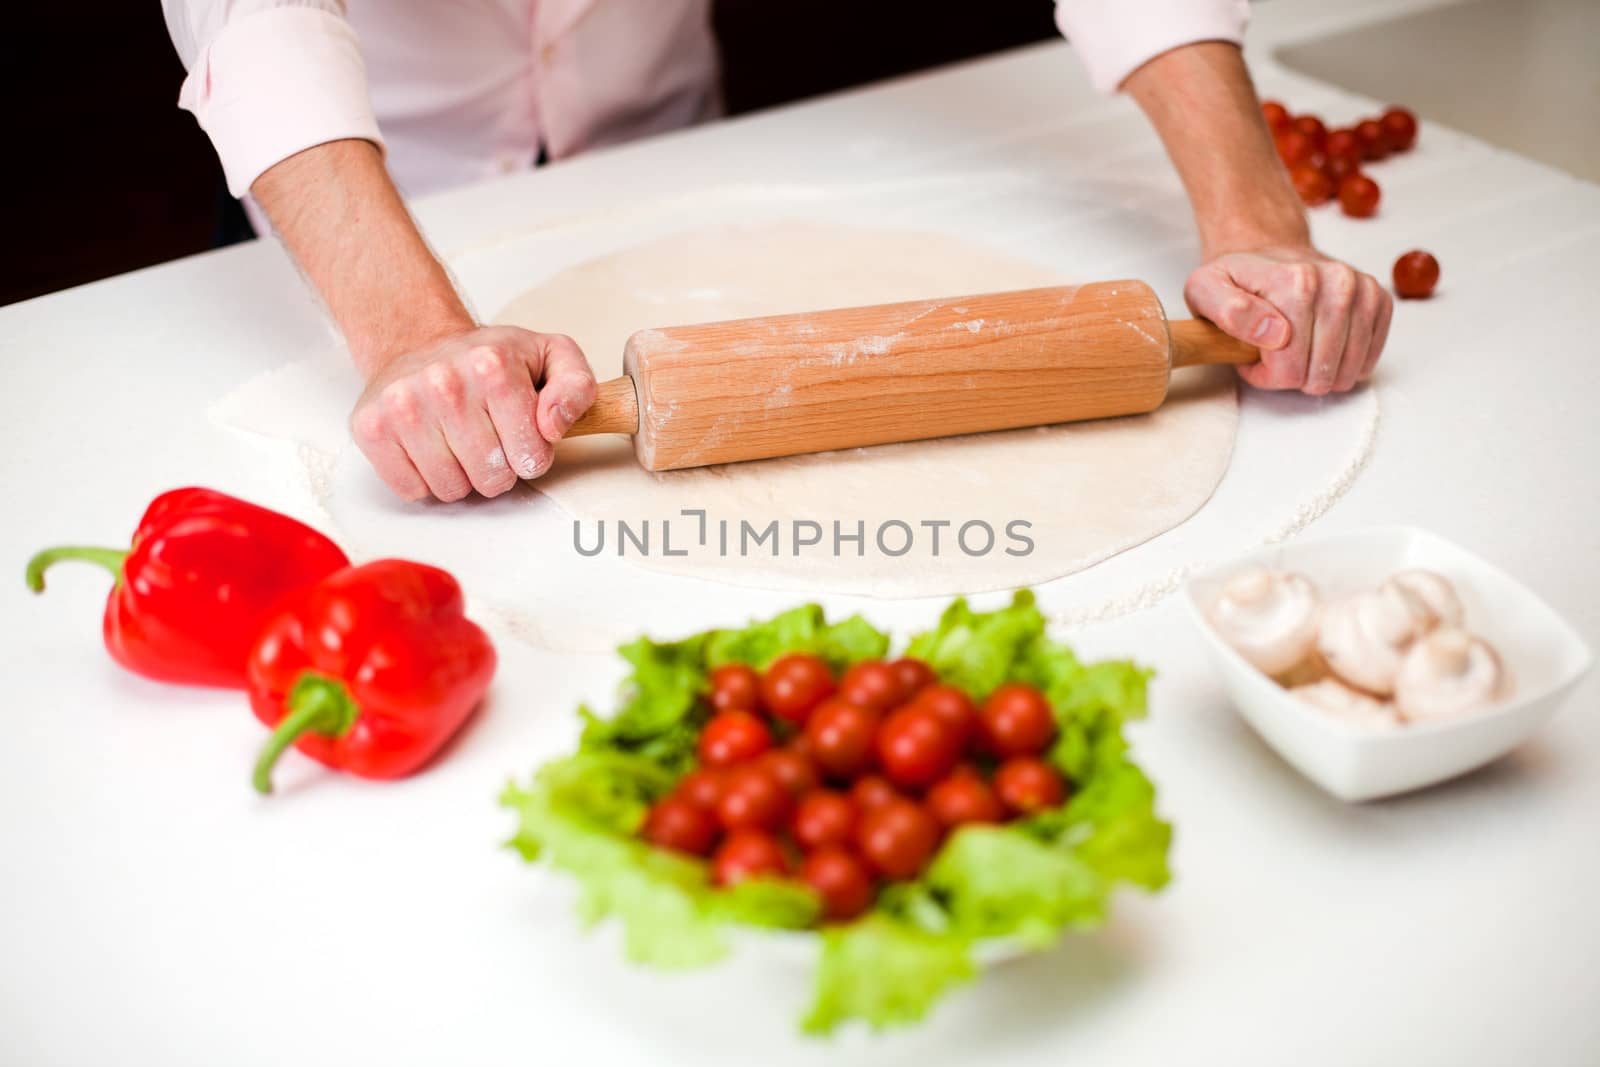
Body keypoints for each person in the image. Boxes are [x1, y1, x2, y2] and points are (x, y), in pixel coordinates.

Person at [163, 1, 1391, 503]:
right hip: (352, 194)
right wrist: (415, 337)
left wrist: (1256, 228)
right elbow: (255, 19)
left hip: (662, 150)